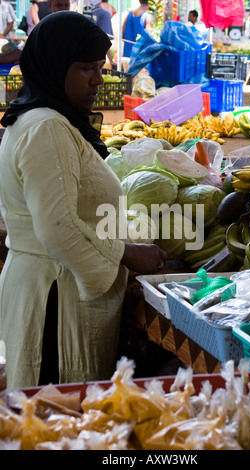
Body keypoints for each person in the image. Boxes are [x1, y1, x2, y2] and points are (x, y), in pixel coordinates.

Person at [0, 11, 167, 389]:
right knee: (55, 413)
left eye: (100, 67)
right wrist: (126, 252)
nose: (98, 79)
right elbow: (57, 228)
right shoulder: (47, 128)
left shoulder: (40, 119)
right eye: (85, 68)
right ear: (55, 66)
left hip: (48, 284)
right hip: (54, 299)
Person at [89, 0, 116, 68]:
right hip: (95, 59)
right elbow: (104, 39)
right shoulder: (104, 14)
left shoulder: (81, 10)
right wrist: (111, 61)